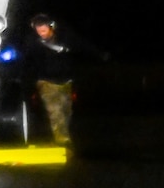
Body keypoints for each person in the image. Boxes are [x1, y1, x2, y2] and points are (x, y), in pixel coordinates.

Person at [21, 12, 106, 146]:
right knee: (55, 111)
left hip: (66, 80)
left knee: (66, 111)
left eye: (43, 30)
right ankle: (62, 140)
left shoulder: (65, 36)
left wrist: (99, 54)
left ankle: (64, 135)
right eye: (38, 31)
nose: (41, 33)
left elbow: (81, 44)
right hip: (46, 81)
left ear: (51, 27)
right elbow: (26, 59)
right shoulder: (32, 42)